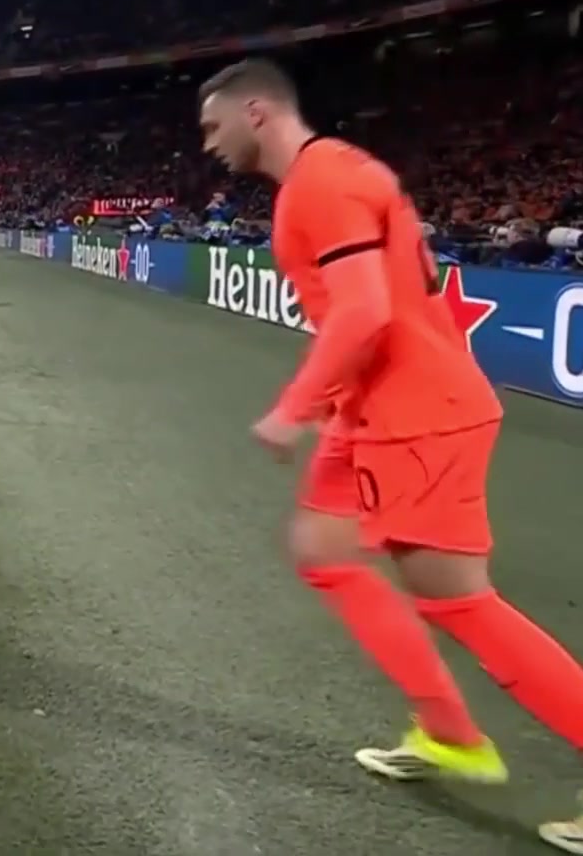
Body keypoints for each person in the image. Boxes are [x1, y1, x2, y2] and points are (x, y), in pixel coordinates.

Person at [199, 58, 583, 852]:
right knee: (321, 551)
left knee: (457, 601)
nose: (208, 143)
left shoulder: (319, 182)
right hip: (372, 410)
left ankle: (467, 732)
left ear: (257, 111)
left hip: (418, 415)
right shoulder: (343, 171)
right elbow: (402, 285)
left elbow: (366, 310)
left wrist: (293, 407)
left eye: (213, 125)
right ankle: (446, 728)